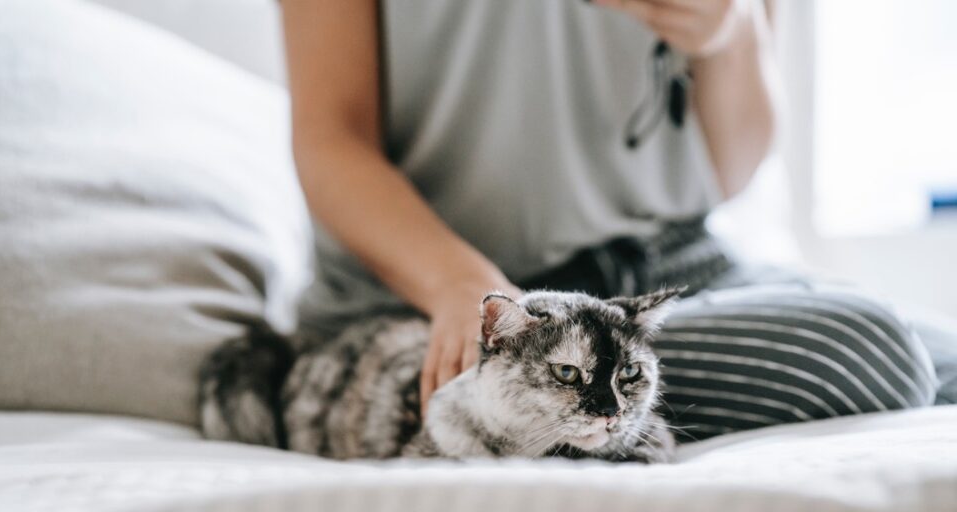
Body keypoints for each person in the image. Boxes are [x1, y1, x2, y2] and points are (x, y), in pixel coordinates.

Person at [280, 0, 941, 440]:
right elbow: (331, 138)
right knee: (871, 346)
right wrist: (462, 285)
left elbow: (731, 173)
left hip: (674, 264)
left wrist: (732, 31)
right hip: (442, 303)